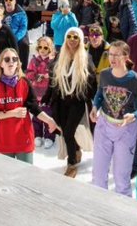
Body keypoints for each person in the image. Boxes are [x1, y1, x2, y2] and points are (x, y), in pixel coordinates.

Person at [90, 40, 137, 197]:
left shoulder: (135, 80)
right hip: (104, 125)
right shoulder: (105, 74)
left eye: (116, 55)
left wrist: (134, 115)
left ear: (126, 57)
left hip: (125, 129)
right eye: (110, 54)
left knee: (121, 178)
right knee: (98, 176)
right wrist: (95, 106)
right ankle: (99, 209)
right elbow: (100, 94)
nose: (112, 58)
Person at [0, 48, 58, 164]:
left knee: (26, 179)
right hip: (3, 142)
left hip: (24, 140)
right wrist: (13, 113)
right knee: (5, 179)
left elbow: (34, 108)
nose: (11, 62)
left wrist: (49, 120)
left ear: (18, 63)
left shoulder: (24, 82)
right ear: (1, 63)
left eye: (14, 59)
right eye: (7, 59)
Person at [46, 26, 98, 177]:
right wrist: (48, 96)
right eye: (69, 37)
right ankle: (75, 149)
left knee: (68, 132)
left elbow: (92, 83)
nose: (72, 40)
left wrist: (89, 100)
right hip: (62, 100)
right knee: (64, 129)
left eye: (76, 37)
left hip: (77, 101)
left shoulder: (86, 58)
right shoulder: (60, 57)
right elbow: (53, 80)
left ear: (81, 40)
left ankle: (72, 163)